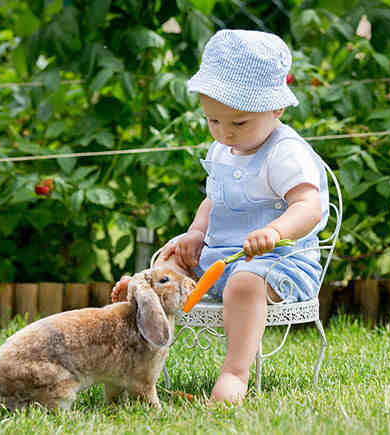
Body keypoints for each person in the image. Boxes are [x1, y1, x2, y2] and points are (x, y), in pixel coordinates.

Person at [114, 29, 329, 405]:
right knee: (164, 268)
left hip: (279, 263)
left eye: (238, 123)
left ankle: (235, 373)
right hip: (222, 257)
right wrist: (196, 234)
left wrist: (274, 232)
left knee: (244, 284)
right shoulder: (224, 149)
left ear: (276, 108)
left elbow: (310, 207)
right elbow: (214, 200)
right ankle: (135, 362)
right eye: (213, 121)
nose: (225, 133)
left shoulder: (285, 152)